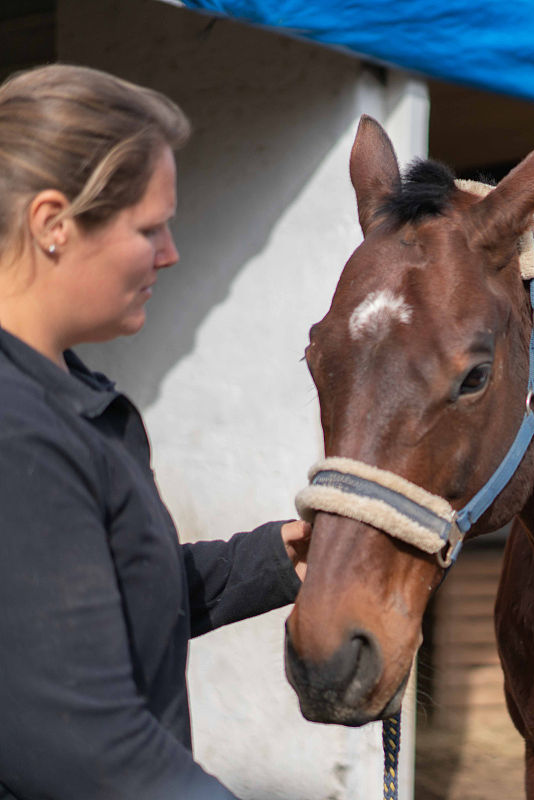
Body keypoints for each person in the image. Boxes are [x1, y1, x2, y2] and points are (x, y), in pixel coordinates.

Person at [0, 65, 310, 799]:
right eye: (149, 227)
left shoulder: (70, 398)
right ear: (52, 224)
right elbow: (89, 747)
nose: (171, 252)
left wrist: (274, 559)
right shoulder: (17, 435)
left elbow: (101, 599)